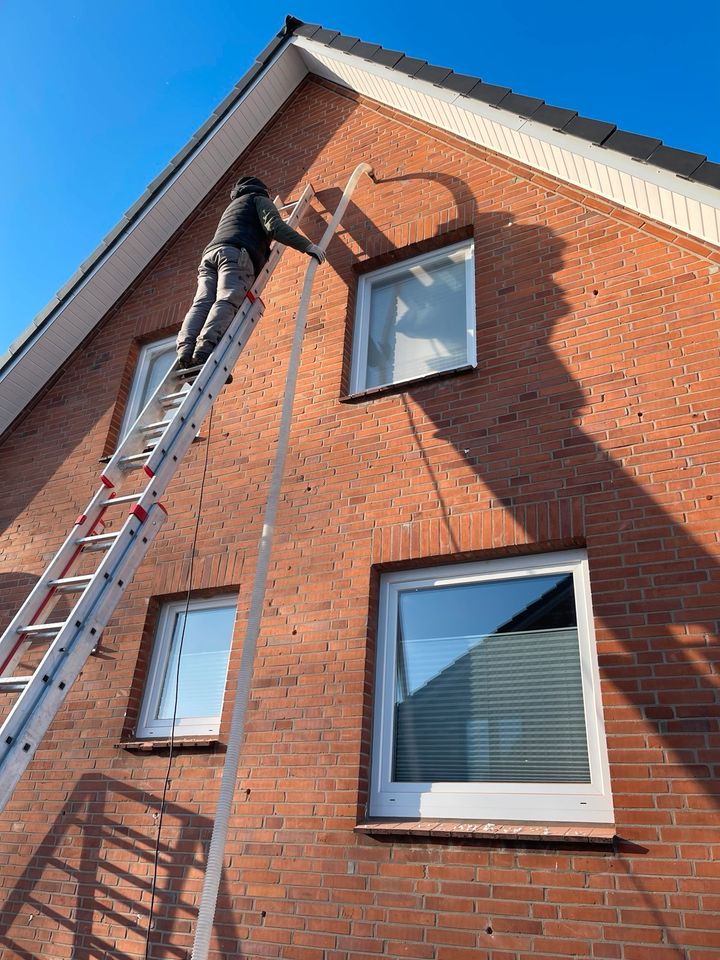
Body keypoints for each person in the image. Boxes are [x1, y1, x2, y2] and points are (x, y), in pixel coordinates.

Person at [176, 175, 326, 368]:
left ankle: (185, 351)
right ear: (262, 190)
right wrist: (307, 246)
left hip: (210, 255)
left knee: (201, 303)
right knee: (227, 298)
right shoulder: (258, 199)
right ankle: (205, 349)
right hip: (235, 254)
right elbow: (275, 227)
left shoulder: (233, 206)